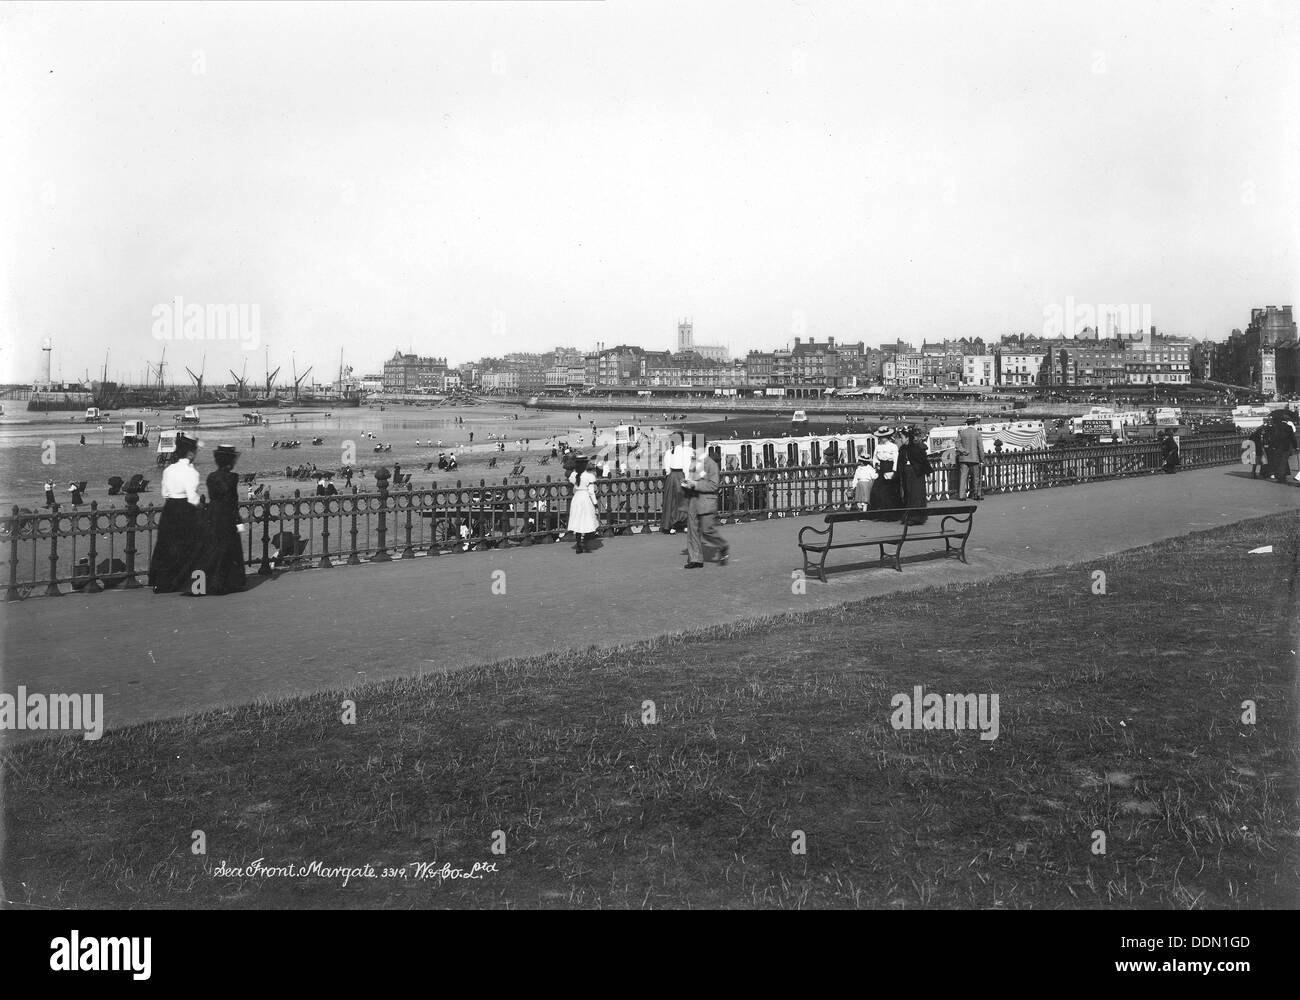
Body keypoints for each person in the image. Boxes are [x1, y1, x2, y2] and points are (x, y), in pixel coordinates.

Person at [148, 433, 204, 593]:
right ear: (191, 453)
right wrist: (201, 506)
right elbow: (193, 497)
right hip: (185, 509)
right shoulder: (192, 472)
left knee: (166, 545)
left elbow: (164, 493)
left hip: (169, 508)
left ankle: (162, 583)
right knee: (190, 545)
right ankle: (192, 584)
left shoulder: (169, 469)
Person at [193, 445, 247, 595]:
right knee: (228, 549)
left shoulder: (211, 477)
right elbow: (232, 501)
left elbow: (213, 496)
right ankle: (227, 582)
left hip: (213, 513)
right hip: (227, 515)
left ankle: (204, 583)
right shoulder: (233, 477)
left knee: (212, 548)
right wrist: (238, 521)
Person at [681, 451, 728, 568]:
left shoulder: (711, 464)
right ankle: (695, 560)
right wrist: (686, 483)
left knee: (707, 530)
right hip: (693, 499)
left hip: (706, 500)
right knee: (692, 530)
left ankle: (722, 545)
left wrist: (695, 485)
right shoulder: (693, 463)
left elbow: (713, 485)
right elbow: (690, 478)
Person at [866, 426, 903, 520]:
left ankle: (890, 515)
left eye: (884, 437)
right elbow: (875, 458)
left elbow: (896, 460)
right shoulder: (878, 447)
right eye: (881, 437)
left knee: (889, 492)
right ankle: (878, 514)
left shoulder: (893, 446)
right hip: (881, 469)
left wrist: (894, 471)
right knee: (877, 491)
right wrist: (876, 465)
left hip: (890, 468)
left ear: (888, 436)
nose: (882, 439)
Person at [899, 426, 933, 524]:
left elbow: (924, 462)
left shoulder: (916, 449)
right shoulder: (902, 449)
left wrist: (928, 475)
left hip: (916, 474)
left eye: (902, 437)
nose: (900, 440)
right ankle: (908, 516)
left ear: (907, 438)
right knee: (908, 494)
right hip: (907, 474)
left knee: (916, 495)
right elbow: (900, 463)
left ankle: (916, 517)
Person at [660, 432, 693, 534]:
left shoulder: (669, 452)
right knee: (684, 500)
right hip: (681, 476)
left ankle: (671, 525)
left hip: (672, 477)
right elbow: (687, 467)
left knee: (671, 501)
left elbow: (667, 468)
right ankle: (684, 524)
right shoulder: (685, 451)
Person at [567, 454, 600, 554]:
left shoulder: (573, 475)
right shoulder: (589, 476)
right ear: (585, 464)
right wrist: (595, 503)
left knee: (577, 520)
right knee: (585, 520)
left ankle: (578, 545)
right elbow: (591, 492)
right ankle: (584, 543)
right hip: (585, 498)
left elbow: (573, 487)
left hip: (576, 498)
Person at [956, 416, 985, 500]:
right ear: (975, 423)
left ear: (967, 423)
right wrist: (982, 459)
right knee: (976, 477)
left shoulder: (962, 433)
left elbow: (957, 444)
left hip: (964, 458)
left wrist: (964, 451)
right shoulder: (977, 433)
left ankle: (961, 496)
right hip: (974, 458)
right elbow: (980, 448)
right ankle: (976, 495)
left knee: (963, 477)